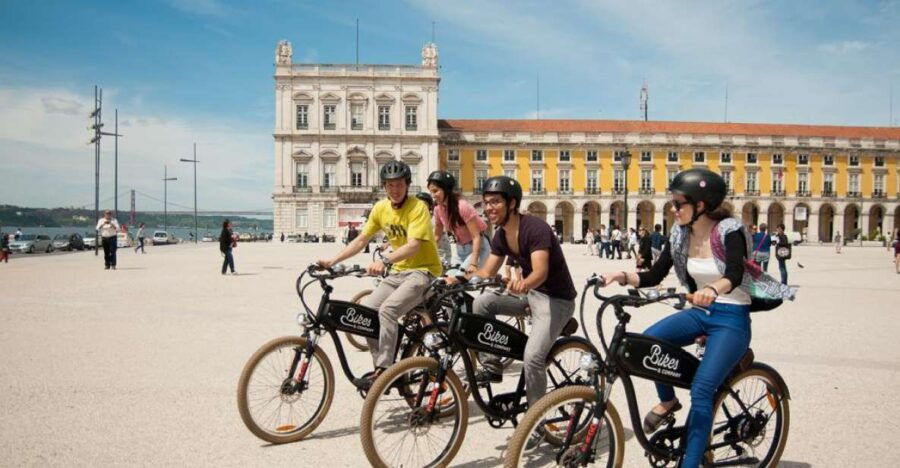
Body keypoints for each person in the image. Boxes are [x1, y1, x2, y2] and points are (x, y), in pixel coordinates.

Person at [597, 168, 795, 468]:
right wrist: (621, 275)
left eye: (678, 204)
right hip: (700, 313)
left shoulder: (729, 231)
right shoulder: (680, 234)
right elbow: (655, 274)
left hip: (731, 318)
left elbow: (734, 273)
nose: (672, 209)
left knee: (702, 390)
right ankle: (668, 401)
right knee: (648, 343)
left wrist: (713, 290)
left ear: (701, 205)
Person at [455, 175, 577, 409]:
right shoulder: (501, 234)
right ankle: (492, 365)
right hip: (531, 296)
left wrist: (524, 284)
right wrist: (458, 278)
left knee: (533, 358)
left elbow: (540, 272)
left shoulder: (535, 228)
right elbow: (487, 271)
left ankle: (536, 417)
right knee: (481, 303)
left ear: (511, 203)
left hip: (556, 300)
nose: (489, 208)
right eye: (486, 202)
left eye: (495, 202)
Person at [318, 160, 441, 391]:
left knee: (388, 310)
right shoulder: (380, 208)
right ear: (384, 186)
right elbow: (361, 240)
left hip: (423, 271)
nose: (395, 189)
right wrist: (332, 261)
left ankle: (386, 372)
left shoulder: (418, 208)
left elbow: (413, 246)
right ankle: (380, 366)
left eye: (399, 184)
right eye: (390, 185)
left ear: (407, 185)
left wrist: (384, 260)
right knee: (367, 312)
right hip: (397, 272)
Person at [427, 170, 490, 274]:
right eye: (431, 192)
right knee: (447, 278)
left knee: (459, 279)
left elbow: (476, 236)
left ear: (446, 189)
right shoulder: (438, 209)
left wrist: (473, 264)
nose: (433, 195)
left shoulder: (462, 207)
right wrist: (425, 255)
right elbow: (437, 236)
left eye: (435, 191)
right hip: (460, 249)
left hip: (478, 248)